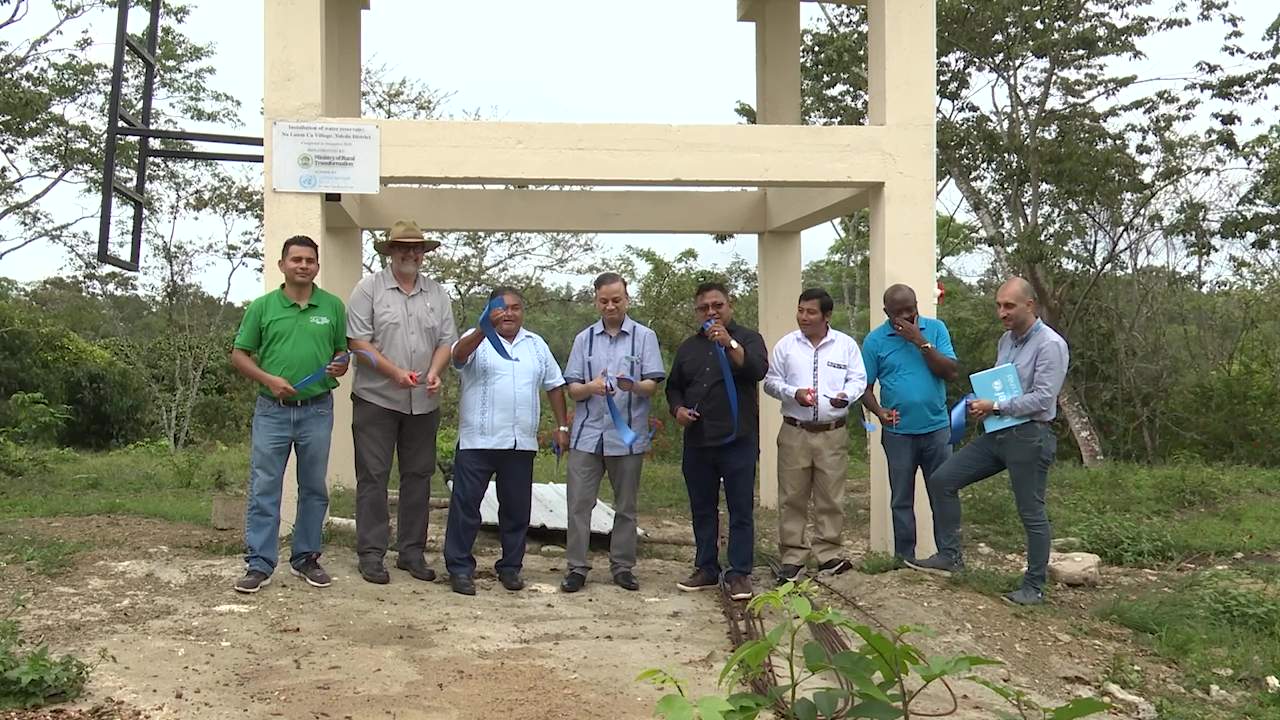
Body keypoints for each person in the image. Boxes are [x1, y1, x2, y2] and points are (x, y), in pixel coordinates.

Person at [907, 277, 1069, 606]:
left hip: (1030, 437)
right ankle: (950, 557)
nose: (1001, 312)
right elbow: (1002, 386)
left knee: (1031, 512)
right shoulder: (1006, 341)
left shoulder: (1050, 344)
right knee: (942, 480)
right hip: (997, 432)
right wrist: (983, 406)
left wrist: (994, 405)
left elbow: (1042, 399)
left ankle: (1034, 586)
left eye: (1008, 306)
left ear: (1030, 305)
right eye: (998, 305)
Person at [230, 235, 349, 593]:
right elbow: (239, 355)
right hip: (272, 411)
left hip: (317, 410)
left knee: (313, 486)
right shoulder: (263, 307)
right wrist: (269, 380)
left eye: (310, 260)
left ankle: (306, 558)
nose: (303, 265)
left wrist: (341, 364)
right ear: (282, 265)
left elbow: (342, 352)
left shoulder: (332, 307)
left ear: (317, 266)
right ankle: (259, 564)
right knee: (265, 485)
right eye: (295, 259)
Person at [346, 219, 458, 585]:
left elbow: (446, 342)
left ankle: (411, 552)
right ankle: (372, 553)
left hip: (422, 403)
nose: (410, 253)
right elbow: (358, 344)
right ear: (390, 251)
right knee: (373, 476)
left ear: (424, 253)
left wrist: (437, 370)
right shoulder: (369, 289)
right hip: (376, 399)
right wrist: (394, 372)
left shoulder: (437, 294)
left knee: (418, 477)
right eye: (403, 247)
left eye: (417, 248)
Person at [443, 286, 570, 596]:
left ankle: (511, 567)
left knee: (516, 510)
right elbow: (457, 358)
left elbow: (554, 385)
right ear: (489, 311)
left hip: (520, 443)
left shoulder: (536, 344)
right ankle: (460, 569)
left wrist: (562, 427)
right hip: (478, 440)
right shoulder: (476, 339)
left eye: (515, 307)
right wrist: (483, 327)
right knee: (466, 507)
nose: (509, 313)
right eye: (501, 308)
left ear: (522, 311)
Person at [560, 273, 665, 593]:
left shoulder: (644, 337)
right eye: (604, 301)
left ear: (627, 299)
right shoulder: (584, 339)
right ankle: (577, 567)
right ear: (596, 301)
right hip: (587, 435)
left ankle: (622, 566)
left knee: (626, 506)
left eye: (616, 300)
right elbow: (572, 389)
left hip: (627, 435)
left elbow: (652, 385)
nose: (610, 306)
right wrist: (590, 387)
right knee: (579, 503)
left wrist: (633, 386)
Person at [665, 282, 768, 601]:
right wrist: (678, 409)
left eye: (717, 305)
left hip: (738, 438)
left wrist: (729, 343)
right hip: (698, 441)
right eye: (704, 308)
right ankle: (706, 567)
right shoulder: (688, 347)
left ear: (729, 305)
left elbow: (757, 370)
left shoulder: (748, 338)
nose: (711, 312)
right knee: (703, 508)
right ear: (697, 312)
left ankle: (739, 573)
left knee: (740, 508)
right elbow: (674, 387)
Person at [763, 288, 867, 585]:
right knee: (792, 496)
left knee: (830, 496)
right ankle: (793, 557)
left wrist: (845, 396)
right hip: (795, 431)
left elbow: (859, 378)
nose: (803, 317)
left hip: (833, 433)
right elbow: (770, 383)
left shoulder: (845, 345)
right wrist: (791, 392)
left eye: (810, 312)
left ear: (826, 316)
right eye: (800, 311)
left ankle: (828, 554)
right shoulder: (786, 346)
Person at [860, 283, 959, 564]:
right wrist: (879, 411)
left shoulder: (936, 329)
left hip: (937, 429)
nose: (907, 317)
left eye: (911, 310)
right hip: (898, 433)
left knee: (942, 492)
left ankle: (950, 556)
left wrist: (921, 342)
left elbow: (950, 372)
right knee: (901, 497)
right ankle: (905, 559)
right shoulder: (875, 341)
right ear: (886, 313)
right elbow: (863, 387)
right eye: (898, 313)